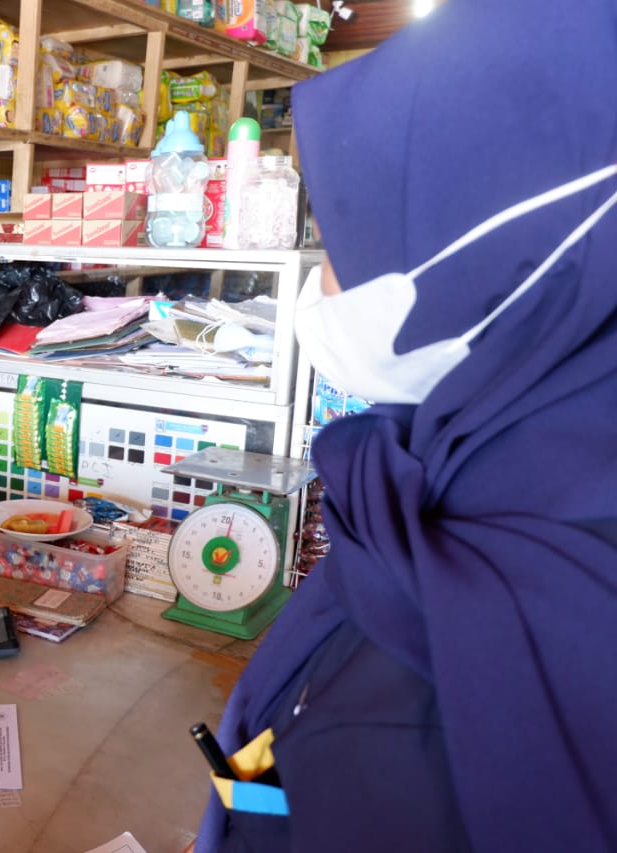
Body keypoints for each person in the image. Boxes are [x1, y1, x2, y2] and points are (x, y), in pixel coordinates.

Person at [195, 1, 617, 850]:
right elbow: (288, 735)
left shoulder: (425, 706)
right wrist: (238, 802)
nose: (320, 283)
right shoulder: (443, 490)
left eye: (338, 243)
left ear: (470, 266)